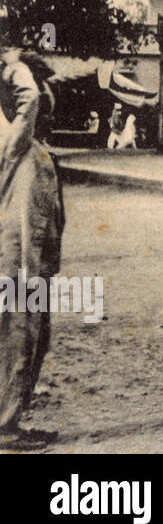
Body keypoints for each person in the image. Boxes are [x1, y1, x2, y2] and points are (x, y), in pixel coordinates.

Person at [0, 44, 64, 450]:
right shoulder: (20, 148)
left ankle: (8, 420)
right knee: (22, 336)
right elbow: (32, 97)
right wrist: (13, 62)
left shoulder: (21, 150)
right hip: (22, 267)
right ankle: (6, 427)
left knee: (20, 338)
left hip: (22, 265)